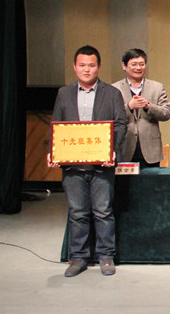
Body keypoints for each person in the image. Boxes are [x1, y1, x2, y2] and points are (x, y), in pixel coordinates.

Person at [47, 45, 128, 277]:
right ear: (74, 67)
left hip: (102, 165)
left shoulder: (112, 93)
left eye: (91, 65)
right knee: (77, 212)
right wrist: (54, 151)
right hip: (73, 165)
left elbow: (120, 124)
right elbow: (57, 125)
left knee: (103, 211)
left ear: (98, 67)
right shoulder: (64, 93)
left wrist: (112, 150)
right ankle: (78, 258)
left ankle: (106, 256)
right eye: (82, 65)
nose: (86, 69)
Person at [112, 48, 170, 167]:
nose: (138, 68)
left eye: (141, 64)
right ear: (124, 66)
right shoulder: (114, 89)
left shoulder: (157, 87)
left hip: (151, 151)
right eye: (134, 64)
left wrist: (149, 107)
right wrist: (129, 107)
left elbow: (167, 113)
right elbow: (110, 117)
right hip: (124, 147)